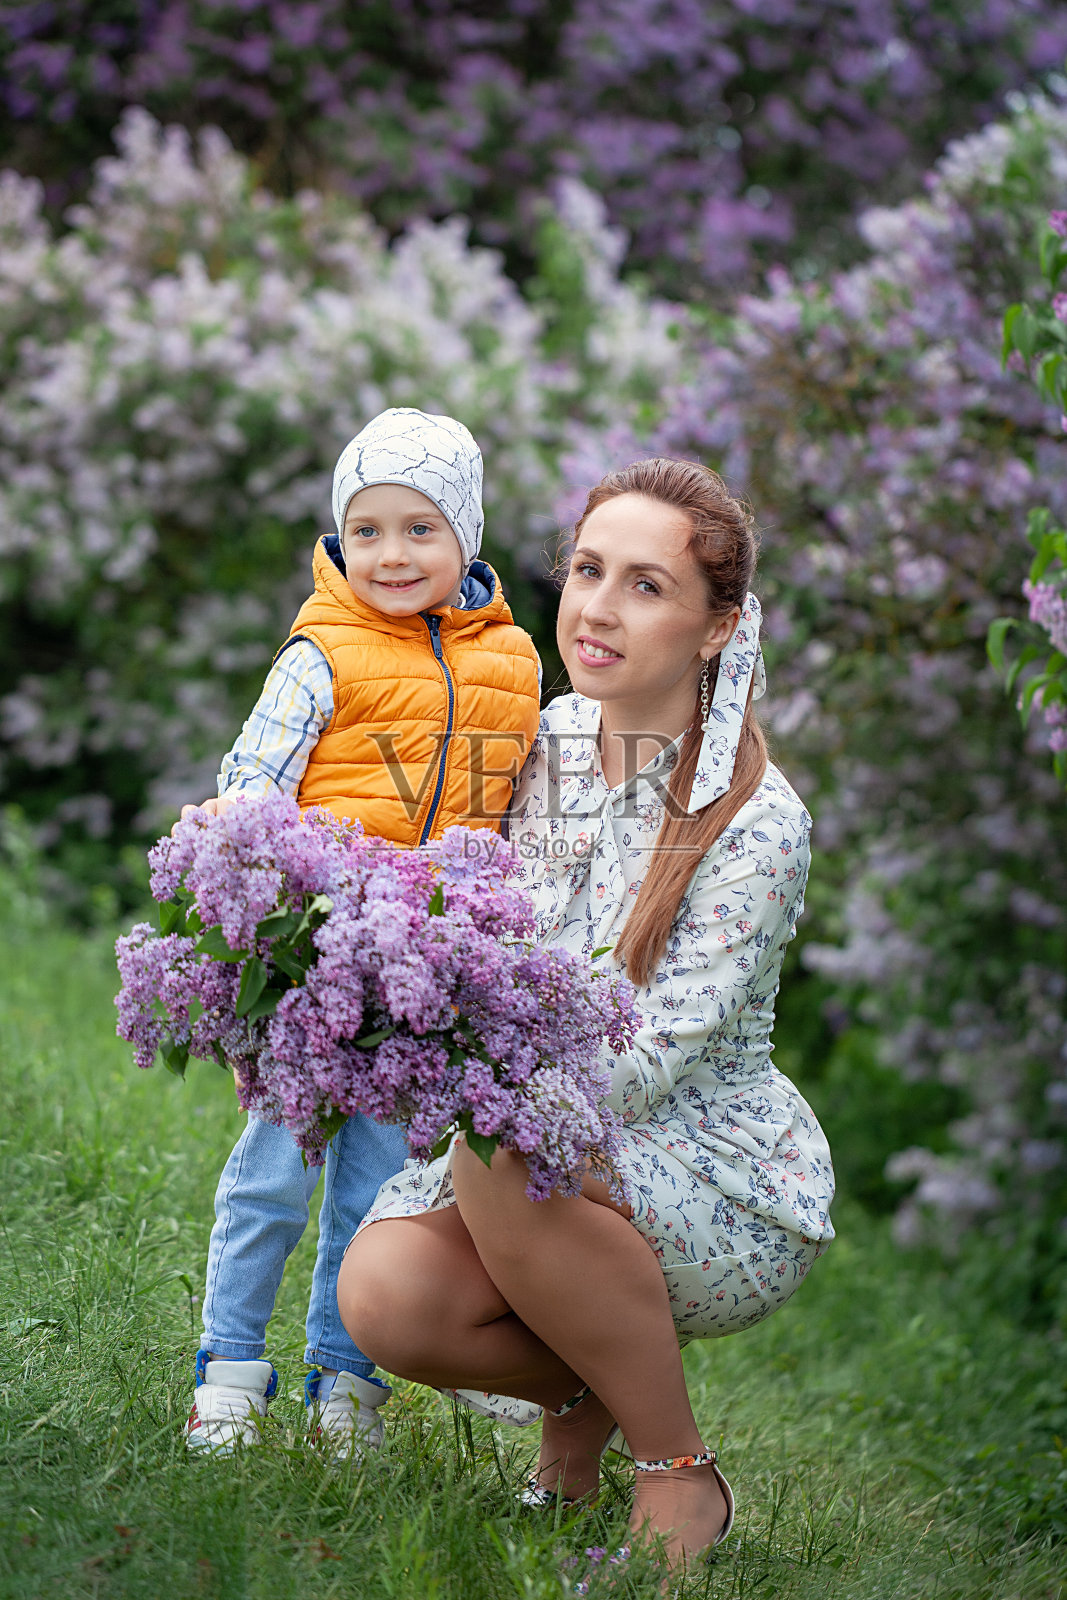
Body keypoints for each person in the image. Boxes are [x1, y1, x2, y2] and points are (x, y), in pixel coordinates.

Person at [336, 457, 835, 1578]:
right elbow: (486, 925)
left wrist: (486, 1090)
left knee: (504, 1141)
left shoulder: (754, 822)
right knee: (384, 1294)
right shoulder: (554, 741)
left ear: (714, 628)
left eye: (646, 585)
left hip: (704, 1166)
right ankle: (590, 1396)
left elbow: (656, 1057)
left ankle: (676, 1474)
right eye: (587, 569)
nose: (597, 607)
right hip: (530, 1146)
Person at [181, 407, 541, 1459]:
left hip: (421, 975)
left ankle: (344, 1387)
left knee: (378, 1189)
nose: (391, 554)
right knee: (273, 1171)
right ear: (341, 537)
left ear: (464, 539)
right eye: (368, 529)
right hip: (312, 955)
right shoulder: (320, 648)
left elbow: (517, 811)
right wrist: (300, 890)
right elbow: (249, 783)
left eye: (420, 529)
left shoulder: (514, 662)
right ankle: (228, 1373)